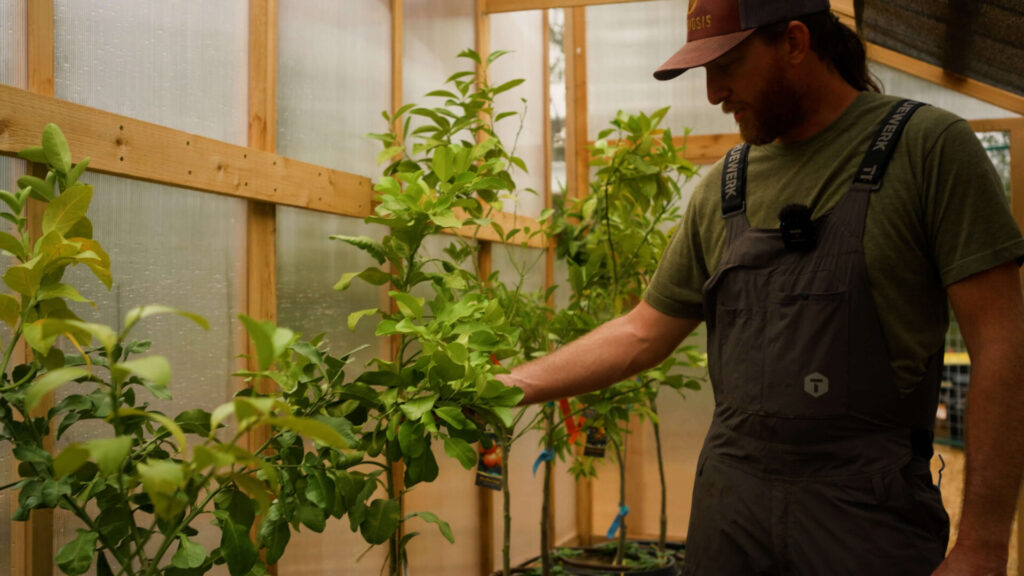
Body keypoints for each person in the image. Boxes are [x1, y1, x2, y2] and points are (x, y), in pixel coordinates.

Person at [499, 0, 1024, 574]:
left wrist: (983, 543)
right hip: (732, 506)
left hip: (864, 511)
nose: (712, 93)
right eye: (703, 73)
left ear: (795, 43)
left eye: (727, 65)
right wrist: (509, 386)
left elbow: (1002, 344)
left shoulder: (926, 148)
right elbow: (641, 332)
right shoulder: (723, 187)